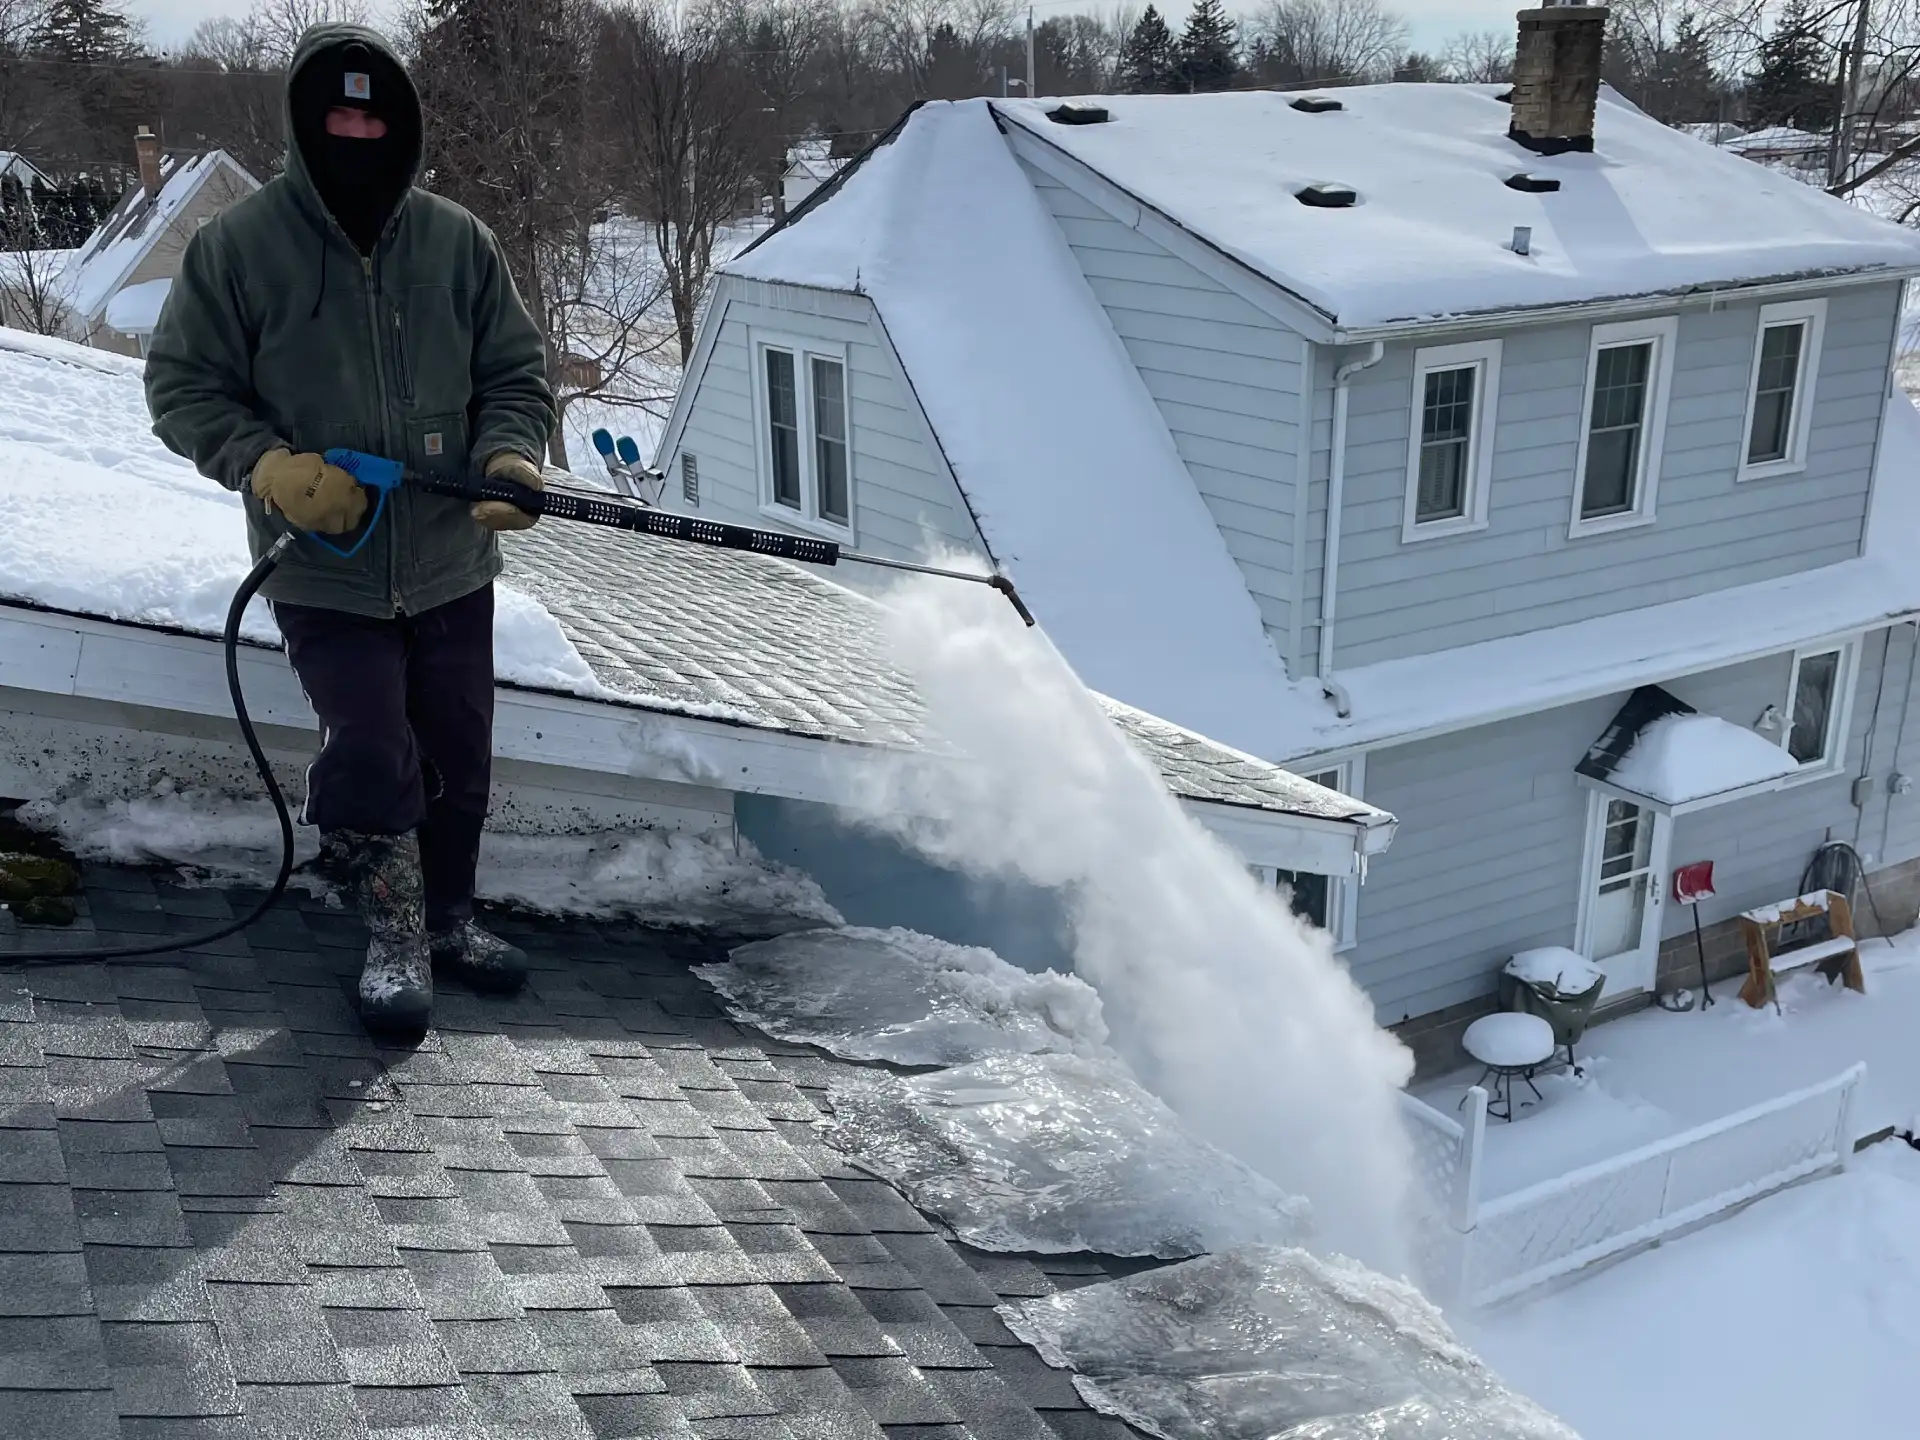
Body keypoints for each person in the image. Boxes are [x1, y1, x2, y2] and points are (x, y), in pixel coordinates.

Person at [145, 24, 556, 1036]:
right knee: (372, 748)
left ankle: (451, 921)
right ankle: (395, 934)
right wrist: (268, 466)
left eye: (376, 115)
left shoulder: (459, 241)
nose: (359, 130)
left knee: (458, 750)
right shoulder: (238, 249)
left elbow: (515, 373)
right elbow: (182, 386)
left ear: (403, 125)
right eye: (339, 114)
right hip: (321, 565)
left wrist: (508, 456)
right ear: (303, 122)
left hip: (449, 559)